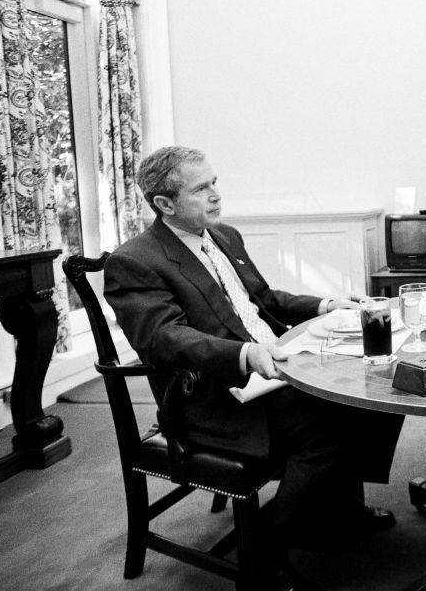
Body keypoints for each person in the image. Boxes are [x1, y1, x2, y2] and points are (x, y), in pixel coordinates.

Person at [103, 146, 404, 564]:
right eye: (201, 189)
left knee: (379, 388)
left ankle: (338, 508)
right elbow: (163, 338)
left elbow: (264, 299)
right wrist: (245, 354)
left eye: (214, 183)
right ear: (165, 204)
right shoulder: (135, 260)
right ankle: (265, 546)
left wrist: (327, 306)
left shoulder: (224, 235)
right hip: (213, 396)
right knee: (329, 426)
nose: (215, 194)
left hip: (273, 369)